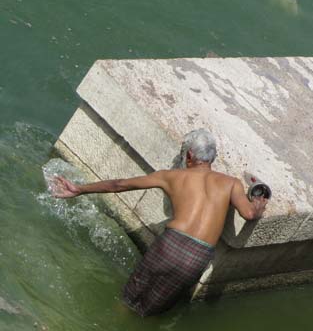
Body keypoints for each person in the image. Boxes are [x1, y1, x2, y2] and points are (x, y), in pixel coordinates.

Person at [50, 129, 268, 316]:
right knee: (150, 310)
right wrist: (259, 200)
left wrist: (79, 189)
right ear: (212, 158)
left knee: (128, 300)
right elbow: (249, 214)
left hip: (169, 245)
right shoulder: (231, 184)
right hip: (196, 256)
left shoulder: (170, 176)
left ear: (190, 155)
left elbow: (118, 184)